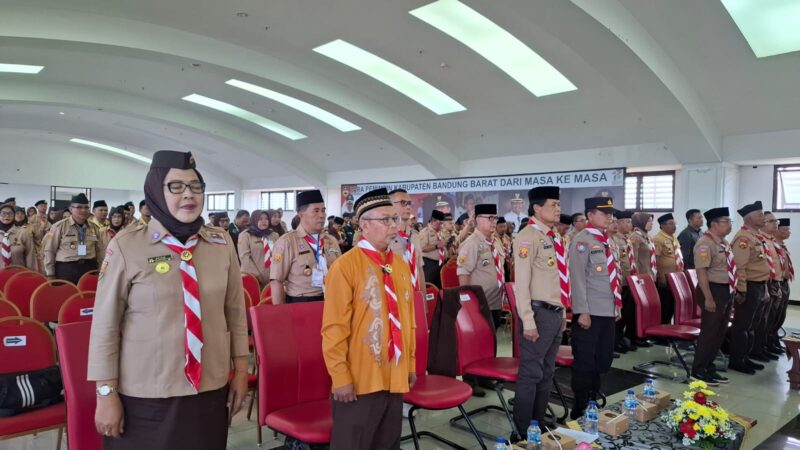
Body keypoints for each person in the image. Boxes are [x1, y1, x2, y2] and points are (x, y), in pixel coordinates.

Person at [88, 150, 249, 450]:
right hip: (147, 396)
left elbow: (236, 314)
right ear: (155, 192)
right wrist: (106, 393)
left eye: (195, 186)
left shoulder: (221, 242)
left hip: (208, 388)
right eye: (176, 186)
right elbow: (105, 326)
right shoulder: (127, 245)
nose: (188, 194)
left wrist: (240, 371)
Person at [322, 188, 416, 450]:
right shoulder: (345, 266)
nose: (393, 226)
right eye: (385, 220)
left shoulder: (398, 265)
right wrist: (340, 377)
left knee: (387, 443)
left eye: (395, 219)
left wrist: (409, 363)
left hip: (394, 374)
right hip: (360, 379)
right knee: (354, 443)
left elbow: (408, 320)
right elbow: (333, 328)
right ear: (364, 225)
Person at [512, 186, 569, 436]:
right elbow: (521, 284)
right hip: (538, 314)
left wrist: (564, 313)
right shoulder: (528, 237)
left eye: (558, 204)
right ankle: (523, 430)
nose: (558, 209)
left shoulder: (554, 237)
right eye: (553, 205)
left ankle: (539, 422)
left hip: (555, 313)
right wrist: (528, 321)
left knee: (547, 372)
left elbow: (561, 280)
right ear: (537, 208)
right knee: (531, 373)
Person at [568, 197, 621, 420]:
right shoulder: (583, 240)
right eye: (603, 213)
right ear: (590, 215)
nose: (609, 216)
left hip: (607, 310)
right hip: (590, 312)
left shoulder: (610, 240)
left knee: (602, 359)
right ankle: (580, 405)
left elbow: (614, 276)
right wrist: (582, 311)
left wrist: (618, 305)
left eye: (611, 213)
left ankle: (593, 399)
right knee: (585, 361)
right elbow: (577, 278)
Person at [270, 190, 341, 304]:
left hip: (332, 301)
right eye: (316, 211)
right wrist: (281, 316)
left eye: (323, 210)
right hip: (302, 303)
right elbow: (276, 281)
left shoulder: (331, 241)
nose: (322, 215)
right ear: (301, 215)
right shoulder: (287, 242)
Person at [690, 207, 735, 385]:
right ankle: (698, 370)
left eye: (730, 221)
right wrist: (708, 297)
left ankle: (710, 368)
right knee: (709, 332)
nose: (730, 225)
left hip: (725, 290)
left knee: (719, 332)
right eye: (726, 221)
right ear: (714, 224)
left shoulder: (723, 242)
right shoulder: (705, 243)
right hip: (712, 290)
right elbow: (701, 272)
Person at [729, 201, 769, 375]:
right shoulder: (743, 238)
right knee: (742, 326)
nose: (763, 218)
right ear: (750, 218)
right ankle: (736, 360)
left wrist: (765, 288)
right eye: (760, 215)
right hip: (749, 287)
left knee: (752, 325)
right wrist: (742, 290)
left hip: (759, 285)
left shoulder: (756, 236)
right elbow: (739, 266)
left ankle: (745, 357)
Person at [457, 204, 504, 329]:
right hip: (480, 306)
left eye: (495, 218)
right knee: (483, 343)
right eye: (490, 218)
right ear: (478, 219)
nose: (494, 222)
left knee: (493, 343)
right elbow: (463, 274)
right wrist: (467, 305)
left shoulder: (495, 241)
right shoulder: (471, 243)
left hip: (497, 303)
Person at [43, 193, 105, 284]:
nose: (83, 210)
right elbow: (49, 250)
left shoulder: (94, 227)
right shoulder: (59, 226)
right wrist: (50, 274)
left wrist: (101, 270)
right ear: (71, 209)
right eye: (79, 207)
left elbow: (100, 251)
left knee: (88, 296)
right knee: (67, 297)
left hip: (89, 268)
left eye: (86, 207)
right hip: (67, 269)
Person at [751, 211, 782, 362]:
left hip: (771, 282)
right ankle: (755, 350)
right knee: (759, 321)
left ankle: (763, 346)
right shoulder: (757, 239)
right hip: (760, 284)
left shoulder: (770, 240)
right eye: (771, 221)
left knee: (769, 320)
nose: (775, 223)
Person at [388, 189, 426, 298]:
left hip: (415, 295)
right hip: (395, 297)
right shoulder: (385, 236)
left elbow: (420, 270)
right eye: (403, 203)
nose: (408, 207)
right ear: (391, 206)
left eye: (409, 203)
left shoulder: (414, 236)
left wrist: (423, 302)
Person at [611, 210, 640, 351]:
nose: (630, 224)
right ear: (619, 222)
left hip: (630, 281)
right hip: (621, 283)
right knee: (619, 315)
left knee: (628, 313)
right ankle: (615, 342)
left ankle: (622, 339)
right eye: (627, 221)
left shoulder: (626, 238)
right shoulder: (614, 239)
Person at [768, 219, 793, 356]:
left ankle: (773, 339)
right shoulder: (771, 245)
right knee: (772, 315)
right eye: (785, 229)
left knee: (780, 315)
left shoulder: (781, 245)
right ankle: (768, 342)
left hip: (783, 282)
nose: (789, 232)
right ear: (777, 230)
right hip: (775, 282)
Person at [238, 210, 280, 289]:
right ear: (254, 220)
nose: (264, 221)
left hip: (273, 276)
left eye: (266, 219)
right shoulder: (246, 235)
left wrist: (277, 271)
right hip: (253, 278)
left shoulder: (273, 235)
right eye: (260, 219)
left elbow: (279, 254)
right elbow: (245, 257)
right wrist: (258, 276)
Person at [654, 213, 684, 324]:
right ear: (662, 225)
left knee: (672, 306)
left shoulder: (674, 238)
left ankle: (668, 330)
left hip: (676, 279)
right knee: (665, 308)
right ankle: (661, 334)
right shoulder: (658, 239)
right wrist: (659, 278)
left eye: (674, 223)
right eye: (671, 224)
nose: (674, 226)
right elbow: (654, 261)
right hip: (665, 280)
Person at [0, 203, 36, 270]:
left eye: (10, 213)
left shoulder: (23, 233)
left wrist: (30, 274)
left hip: (18, 275)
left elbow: (30, 257)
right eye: (3, 213)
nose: (7, 216)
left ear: (14, 216)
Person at [419, 210, 447, 288]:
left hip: (440, 264)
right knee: (430, 287)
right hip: (429, 265)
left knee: (440, 287)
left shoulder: (440, 232)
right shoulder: (425, 232)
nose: (442, 225)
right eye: (440, 223)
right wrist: (436, 246)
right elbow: (422, 248)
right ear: (433, 221)